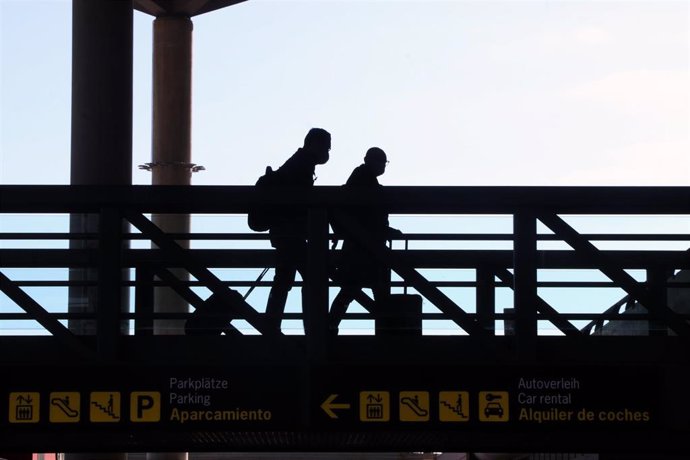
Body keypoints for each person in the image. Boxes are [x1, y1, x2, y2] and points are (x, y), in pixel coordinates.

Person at [329, 147, 402, 334]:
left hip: (359, 247)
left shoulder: (358, 180)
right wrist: (386, 231)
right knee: (372, 291)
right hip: (366, 249)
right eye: (381, 162)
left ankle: (329, 328)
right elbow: (370, 219)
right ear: (370, 161)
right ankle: (386, 334)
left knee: (350, 291)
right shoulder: (366, 184)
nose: (382, 166)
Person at [265, 128, 331, 332]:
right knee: (312, 276)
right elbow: (300, 203)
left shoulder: (297, 162)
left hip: (284, 232)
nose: (328, 152)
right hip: (290, 232)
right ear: (315, 145)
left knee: (285, 277)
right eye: (326, 147)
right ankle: (312, 328)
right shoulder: (302, 166)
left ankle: (272, 326)